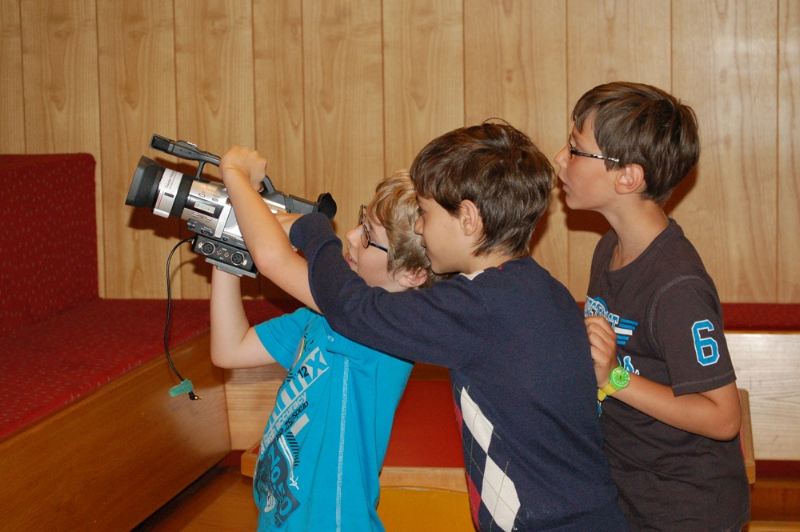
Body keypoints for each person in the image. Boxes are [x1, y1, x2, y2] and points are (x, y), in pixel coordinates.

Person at [268, 123, 628, 531]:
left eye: (425, 213)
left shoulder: (477, 308)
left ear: (468, 218)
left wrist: (316, 233)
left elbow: (352, 310)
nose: (420, 228)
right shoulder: (536, 288)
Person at [554, 81, 750, 530]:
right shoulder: (608, 248)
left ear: (628, 177)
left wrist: (614, 379)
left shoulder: (677, 286)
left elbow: (724, 418)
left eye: (575, 149)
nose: (560, 159)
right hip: (630, 492)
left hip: (687, 510)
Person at [212, 152, 444, 531]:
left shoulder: (381, 335)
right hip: (279, 519)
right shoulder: (318, 318)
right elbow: (230, 348)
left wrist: (234, 174)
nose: (350, 236)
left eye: (368, 236)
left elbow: (272, 258)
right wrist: (226, 248)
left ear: (412, 274)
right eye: (361, 221)